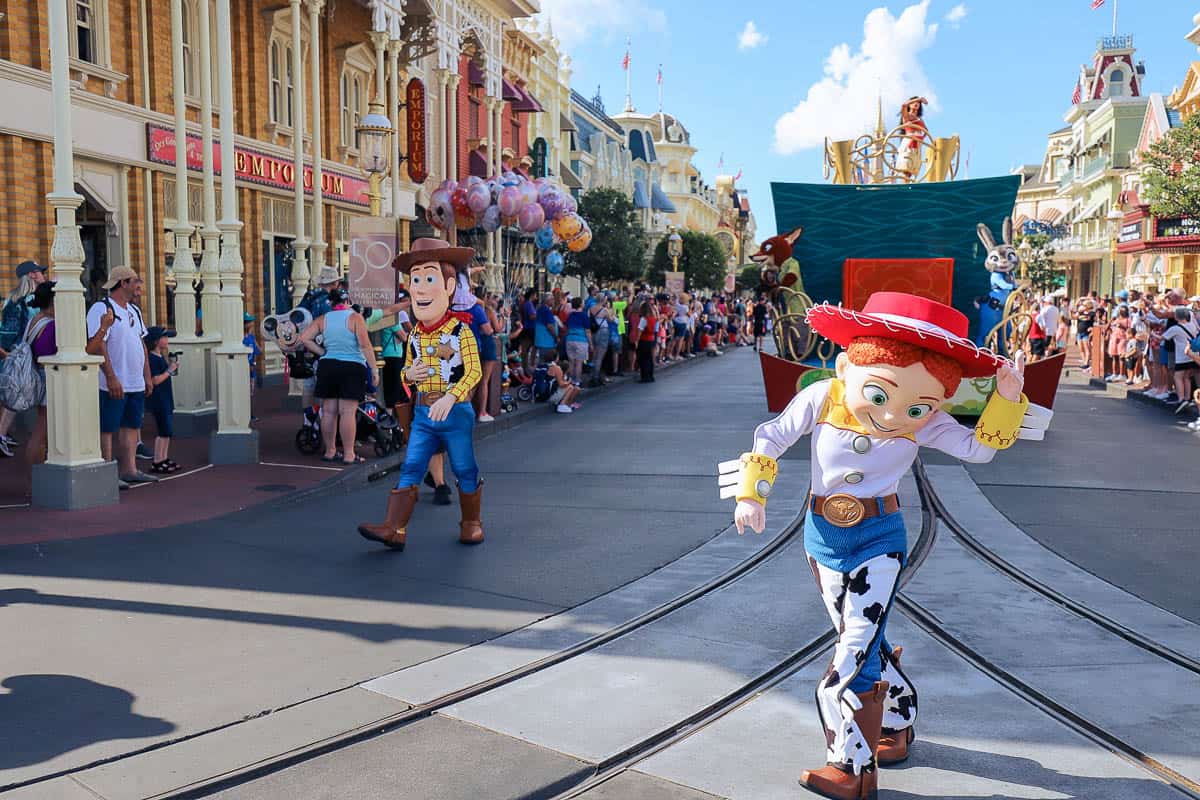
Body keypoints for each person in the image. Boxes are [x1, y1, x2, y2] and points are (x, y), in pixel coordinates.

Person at [727, 292, 1036, 800]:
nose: (894, 417)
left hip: (879, 541)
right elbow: (771, 437)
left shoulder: (930, 421)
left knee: (849, 659)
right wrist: (751, 495)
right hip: (821, 538)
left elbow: (980, 450)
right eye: (880, 396)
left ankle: (851, 768)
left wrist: (1006, 396)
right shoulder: (823, 396)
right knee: (864, 639)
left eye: (915, 407)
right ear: (848, 368)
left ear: (937, 403)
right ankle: (898, 718)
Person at [358, 238, 484, 550]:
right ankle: (394, 528)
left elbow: (474, 371)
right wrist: (407, 375)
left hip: (455, 413)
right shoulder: (414, 333)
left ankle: (471, 523)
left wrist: (451, 396)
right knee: (412, 465)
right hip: (424, 414)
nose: (420, 288)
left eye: (429, 278)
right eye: (415, 280)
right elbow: (406, 370)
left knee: (464, 466)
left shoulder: (460, 330)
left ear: (449, 285)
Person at [85, 266, 158, 489]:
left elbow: (142, 345)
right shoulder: (102, 308)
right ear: (122, 283)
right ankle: (107, 470)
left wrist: (147, 375)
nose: (139, 285)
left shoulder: (133, 311)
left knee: (131, 425)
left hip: (135, 380)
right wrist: (111, 377)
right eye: (135, 281)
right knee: (108, 426)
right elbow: (98, 346)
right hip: (114, 381)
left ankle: (130, 470)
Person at [298, 286, 378, 465]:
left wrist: (322, 351)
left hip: (328, 365)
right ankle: (349, 454)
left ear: (331, 303)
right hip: (352, 366)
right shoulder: (355, 318)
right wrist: (374, 369)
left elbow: (304, 338)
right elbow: (365, 345)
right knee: (347, 412)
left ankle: (330, 451)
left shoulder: (323, 318)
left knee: (329, 411)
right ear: (347, 301)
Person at [0, 260, 47, 458]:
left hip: (35, 357)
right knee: (13, 399)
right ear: (32, 275)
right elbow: (6, 334)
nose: (43, 275)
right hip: (21, 358)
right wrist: (8, 356)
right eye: (40, 272)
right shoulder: (17, 302)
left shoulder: (38, 300)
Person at [23, 280, 57, 470]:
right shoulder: (51, 325)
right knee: (41, 432)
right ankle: (33, 481)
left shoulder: (34, 321)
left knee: (42, 431)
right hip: (46, 377)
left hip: (37, 375)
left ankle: (34, 479)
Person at [143, 325, 180, 474]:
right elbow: (155, 380)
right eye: (164, 337)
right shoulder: (152, 359)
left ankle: (163, 458)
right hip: (159, 400)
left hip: (166, 398)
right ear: (156, 341)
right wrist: (170, 370)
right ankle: (157, 460)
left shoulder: (160, 357)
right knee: (163, 429)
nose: (167, 340)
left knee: (167, 431)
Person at [380, 289, 414, 442]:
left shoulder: (381, 318)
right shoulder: (391, 319)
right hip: (393, 356)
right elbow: (404, 336)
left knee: (391, 388)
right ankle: (389, 422)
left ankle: (389, 421)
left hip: (387, 355)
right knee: (393, 390)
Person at [1162, 306, 1200, 413]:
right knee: (1187, 377)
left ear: (1177, 316)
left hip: (1181, 356)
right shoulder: (1192, 325)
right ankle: (1187, 398)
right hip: (1192, 355)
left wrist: (1151, 334)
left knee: (1177, 377)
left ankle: (1181, 398)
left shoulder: (1175, 328)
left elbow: (1163, 338)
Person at [565, 297, 591, 386]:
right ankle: (577, 381)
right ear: (580, 304)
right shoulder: (584, 316)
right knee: (579, 363)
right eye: (583, 302)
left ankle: (571, 380)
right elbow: (587, 331)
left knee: (571, 362)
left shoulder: (570, 315)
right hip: (581, 340)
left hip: (570, 339)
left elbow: (567, 328)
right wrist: (591, 344)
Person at [534, 292, 560, 365]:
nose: (553, 301)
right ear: (547, 301)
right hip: (547, 342)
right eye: (552, 299)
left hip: (541, 341)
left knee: (542, 361)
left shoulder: (540, 309)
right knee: (546, 363)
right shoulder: (546, 311)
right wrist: (556, 337)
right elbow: (550, 326)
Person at [635, 299, 657, 383]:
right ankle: (650, 376)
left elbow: (639, 331)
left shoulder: (644, 319)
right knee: (650, 359)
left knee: (643, 359)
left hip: (644, 340)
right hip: (651, 339)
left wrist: (637, 341)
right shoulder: (652, 318)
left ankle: (644, 376)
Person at [243, 312, 263, 404]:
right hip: (242, 370)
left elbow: (258, 351)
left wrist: (253, 364)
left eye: (251, 321)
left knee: (251, 392)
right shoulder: (239, 338)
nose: (251, 324)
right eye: (248, 322)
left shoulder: (251, 337)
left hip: (251, 369)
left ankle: (250, 414)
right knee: (243, 392)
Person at [519, 289, 538, 370]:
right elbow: (531, 316)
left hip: (528, 328)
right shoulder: (529, 304)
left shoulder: (526, 304)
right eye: (535, 295)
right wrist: (539, 315)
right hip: (529, 328)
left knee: (527, 348)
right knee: (528, 348)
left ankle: (527, 365)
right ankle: (528, 365)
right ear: (532, 295)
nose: (536, 297)